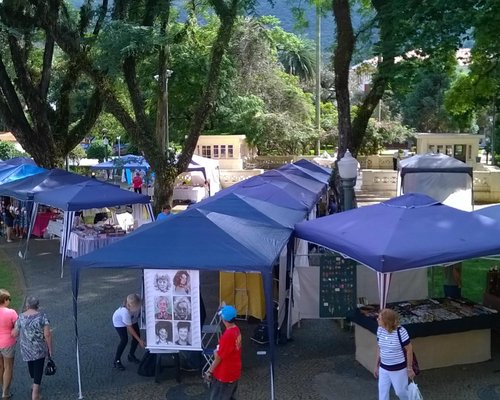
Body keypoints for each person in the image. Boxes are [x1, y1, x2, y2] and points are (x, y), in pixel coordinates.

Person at [12, 296, 53, 400]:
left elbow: (15, 333)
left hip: (26, 349)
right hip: (39, 348)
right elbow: (47, 334)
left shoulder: (20, 317)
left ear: (27, 305)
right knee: (38, 368)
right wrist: (50, 349)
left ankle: (34, 384)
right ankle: (35, 394)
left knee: (31, 366)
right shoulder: (42, 316)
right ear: (37, 306)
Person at [373, 308, 414, 400]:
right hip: (384, 368)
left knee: (401, 392)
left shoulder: (401, 331)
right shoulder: (380, 330)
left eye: (379, 318)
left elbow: (409, 350)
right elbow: (379, 348)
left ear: (386, 321)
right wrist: (376, 366)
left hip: (398, 369)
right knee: (382, 394)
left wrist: (409, 368)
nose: (377, 320)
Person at [206, 305, 242, 400]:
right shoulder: (236, 330)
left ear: (223, 319)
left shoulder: (227, 336)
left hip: (224, 373)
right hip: (234, 371)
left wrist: (210, 371)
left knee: (218, 397)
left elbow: (219, 357)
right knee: (229, 395)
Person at [112, 293, 145, 370]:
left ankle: (131, 355)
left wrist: (138, 339)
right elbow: (130, 328)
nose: (139, 308)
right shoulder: (125, 312)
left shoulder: (137, 299)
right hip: (119, 322)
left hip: (132, 318)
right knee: (124, 340)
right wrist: (140, 341)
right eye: (137, 307)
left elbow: (138, 298)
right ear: (130, 306)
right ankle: (116, 361)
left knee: (137, 336)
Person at [0, 289, 17, 399]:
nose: (9, 301)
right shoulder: (11, 312)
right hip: (7, 343)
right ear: (4, 300)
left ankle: (3, 387)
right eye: (9, 299)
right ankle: (5, 393)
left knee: (0, 367)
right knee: (8, 367)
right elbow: (18, 326)